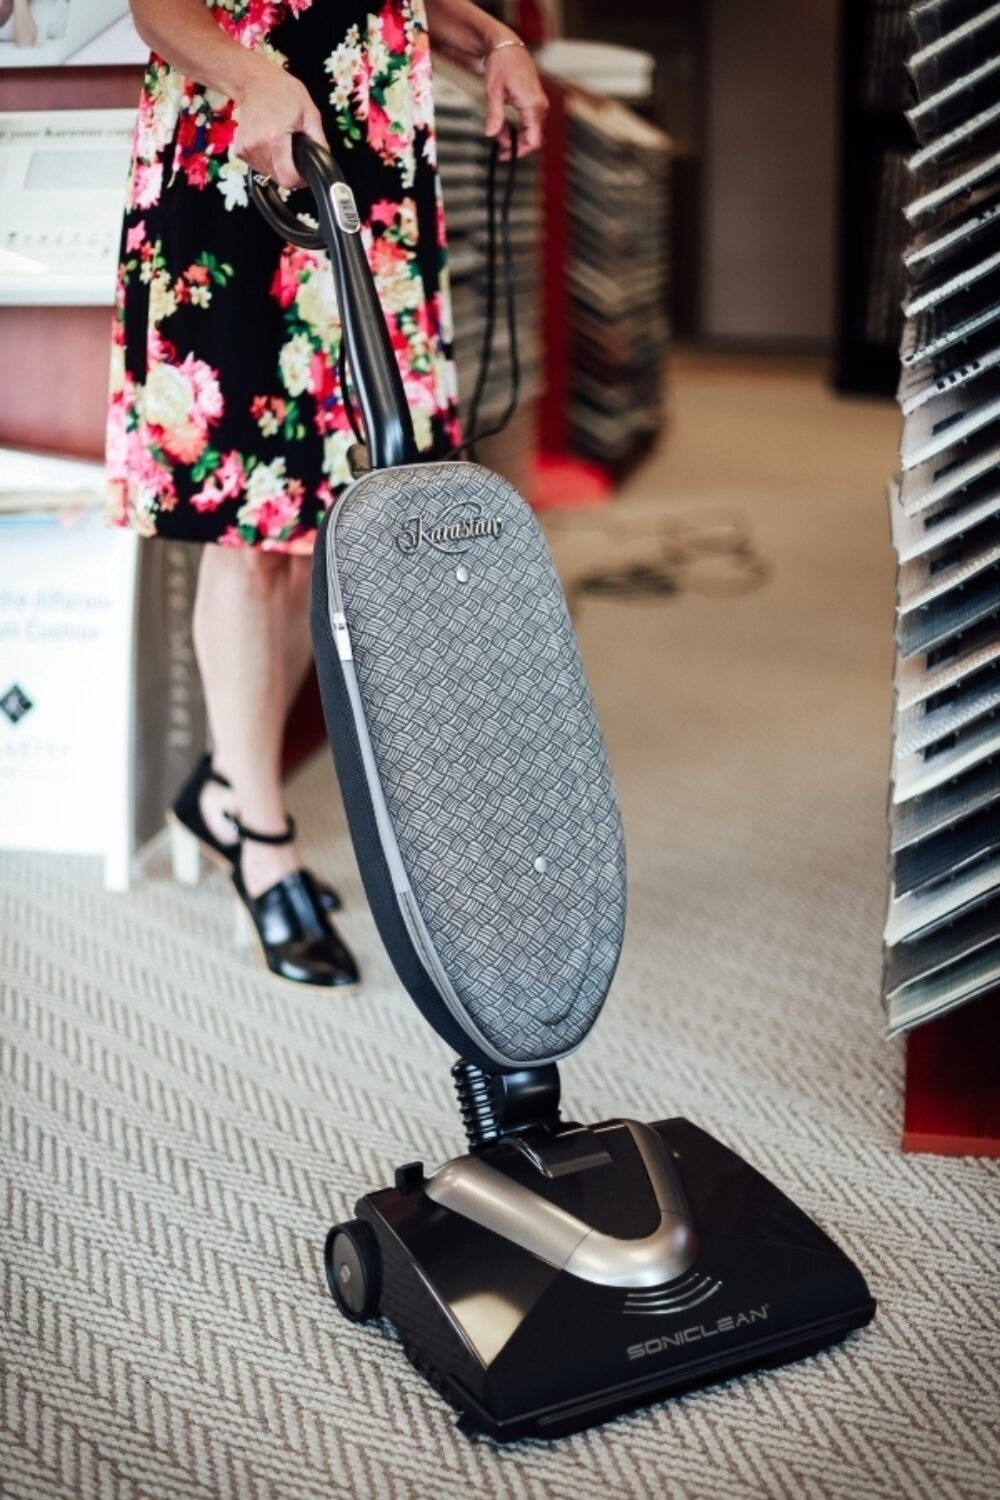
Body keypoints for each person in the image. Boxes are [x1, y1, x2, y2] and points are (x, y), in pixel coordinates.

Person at [107, 0, 548, 987]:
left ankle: (225, 793)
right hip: (246, 146)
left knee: (353, 521)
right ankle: (260, 842)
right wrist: (250, 75)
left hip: (371, 147)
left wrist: (494, 40)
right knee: (257, 532)